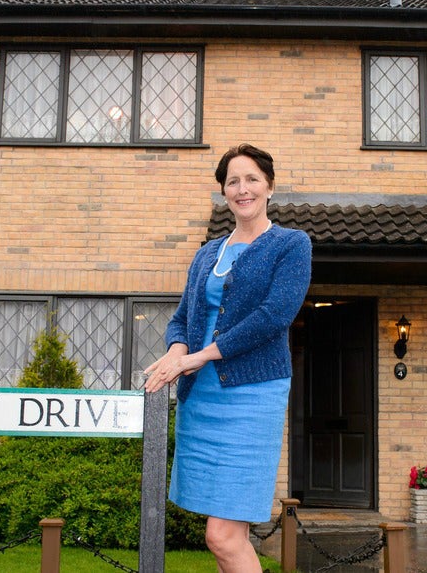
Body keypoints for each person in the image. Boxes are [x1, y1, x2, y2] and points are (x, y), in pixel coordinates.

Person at [143, 143, 311, 573]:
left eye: (252, 178)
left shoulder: (290, 244)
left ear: (270, 186)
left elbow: (273, 317)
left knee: (221, 535)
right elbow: (182, 319)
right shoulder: (207, 253)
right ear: (223, 192)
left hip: (253, 395)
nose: (242, 188)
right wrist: (178, 353)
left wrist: (198, 356)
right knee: (225, 536)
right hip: (202, 399)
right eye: (232, 181)